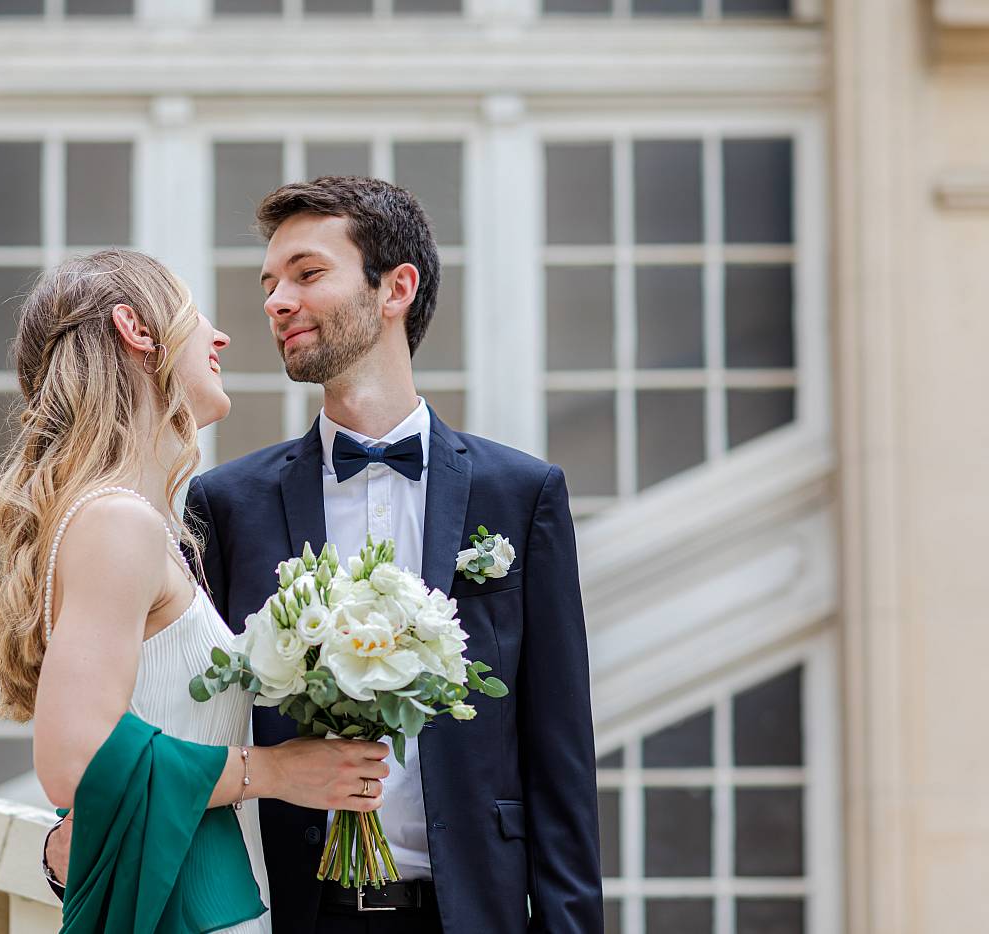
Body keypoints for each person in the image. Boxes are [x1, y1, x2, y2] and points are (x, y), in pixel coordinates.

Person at [47, 179, 603, 932]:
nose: (276, 302)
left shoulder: (522, 493)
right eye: (270, 284)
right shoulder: (226, 505)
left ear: (395, 287)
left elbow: (560, 753)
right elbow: (165, 697)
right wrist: (75, 833)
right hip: (295, 914)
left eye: (307, 275)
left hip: (475, 913)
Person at [0, 249, 390, 933]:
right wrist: (280, 772)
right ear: (137, 332)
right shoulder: (115, 522)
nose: (220, 337)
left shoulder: (121, 520)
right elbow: (75, 762)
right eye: (193, 314)